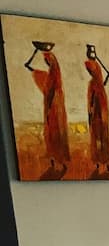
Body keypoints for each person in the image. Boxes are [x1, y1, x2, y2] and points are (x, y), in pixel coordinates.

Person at [25, 47, 70, 179]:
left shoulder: (53, 79)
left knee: (55, 135)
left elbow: (28, 66)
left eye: (47, 61)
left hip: (55, 112)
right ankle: (55, 162)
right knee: (52, 135)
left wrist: (35, 52)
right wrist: (35, 51)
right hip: (52, 111)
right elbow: (28, 66)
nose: (46, 63)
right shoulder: (49, 77)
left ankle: (58, 162)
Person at [85, 46, 109, 179]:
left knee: (98, 137)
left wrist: (90, 114)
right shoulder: (99, 84)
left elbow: (91, 103)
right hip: (102, 114)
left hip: (97, 115)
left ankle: (100, 163)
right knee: (103, 137)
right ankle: (105, 164)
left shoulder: (94, 84)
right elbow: (108, 74)